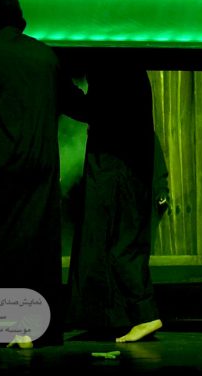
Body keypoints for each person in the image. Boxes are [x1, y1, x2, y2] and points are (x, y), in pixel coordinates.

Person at [0, 0, 88, 347]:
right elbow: (76, 103)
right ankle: (37, 329)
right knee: (38, 246)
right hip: (41, 166)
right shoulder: (45, 55)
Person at [67, 60, 162, 342]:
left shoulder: (116, 67)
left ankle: (143, 313)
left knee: (118, 236)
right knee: (122, 234)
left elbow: (96, 108)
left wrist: (63, 92)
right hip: (126, 158)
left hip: (115, 159)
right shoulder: (132, 67)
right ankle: (133, 313)